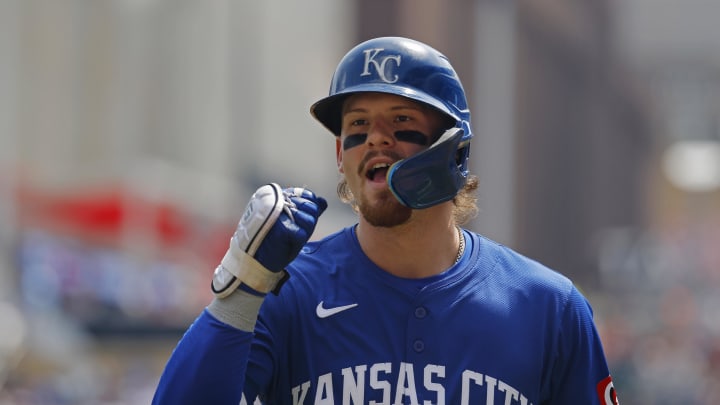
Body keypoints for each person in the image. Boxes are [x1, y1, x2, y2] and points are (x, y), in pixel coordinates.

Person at [152, 36, 619, 405]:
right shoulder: (287, 292)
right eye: (357, 126)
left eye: (401, 121)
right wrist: (241, 288)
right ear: (340, 155)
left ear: (453, 148)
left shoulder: (548, 308)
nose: (376, 139)